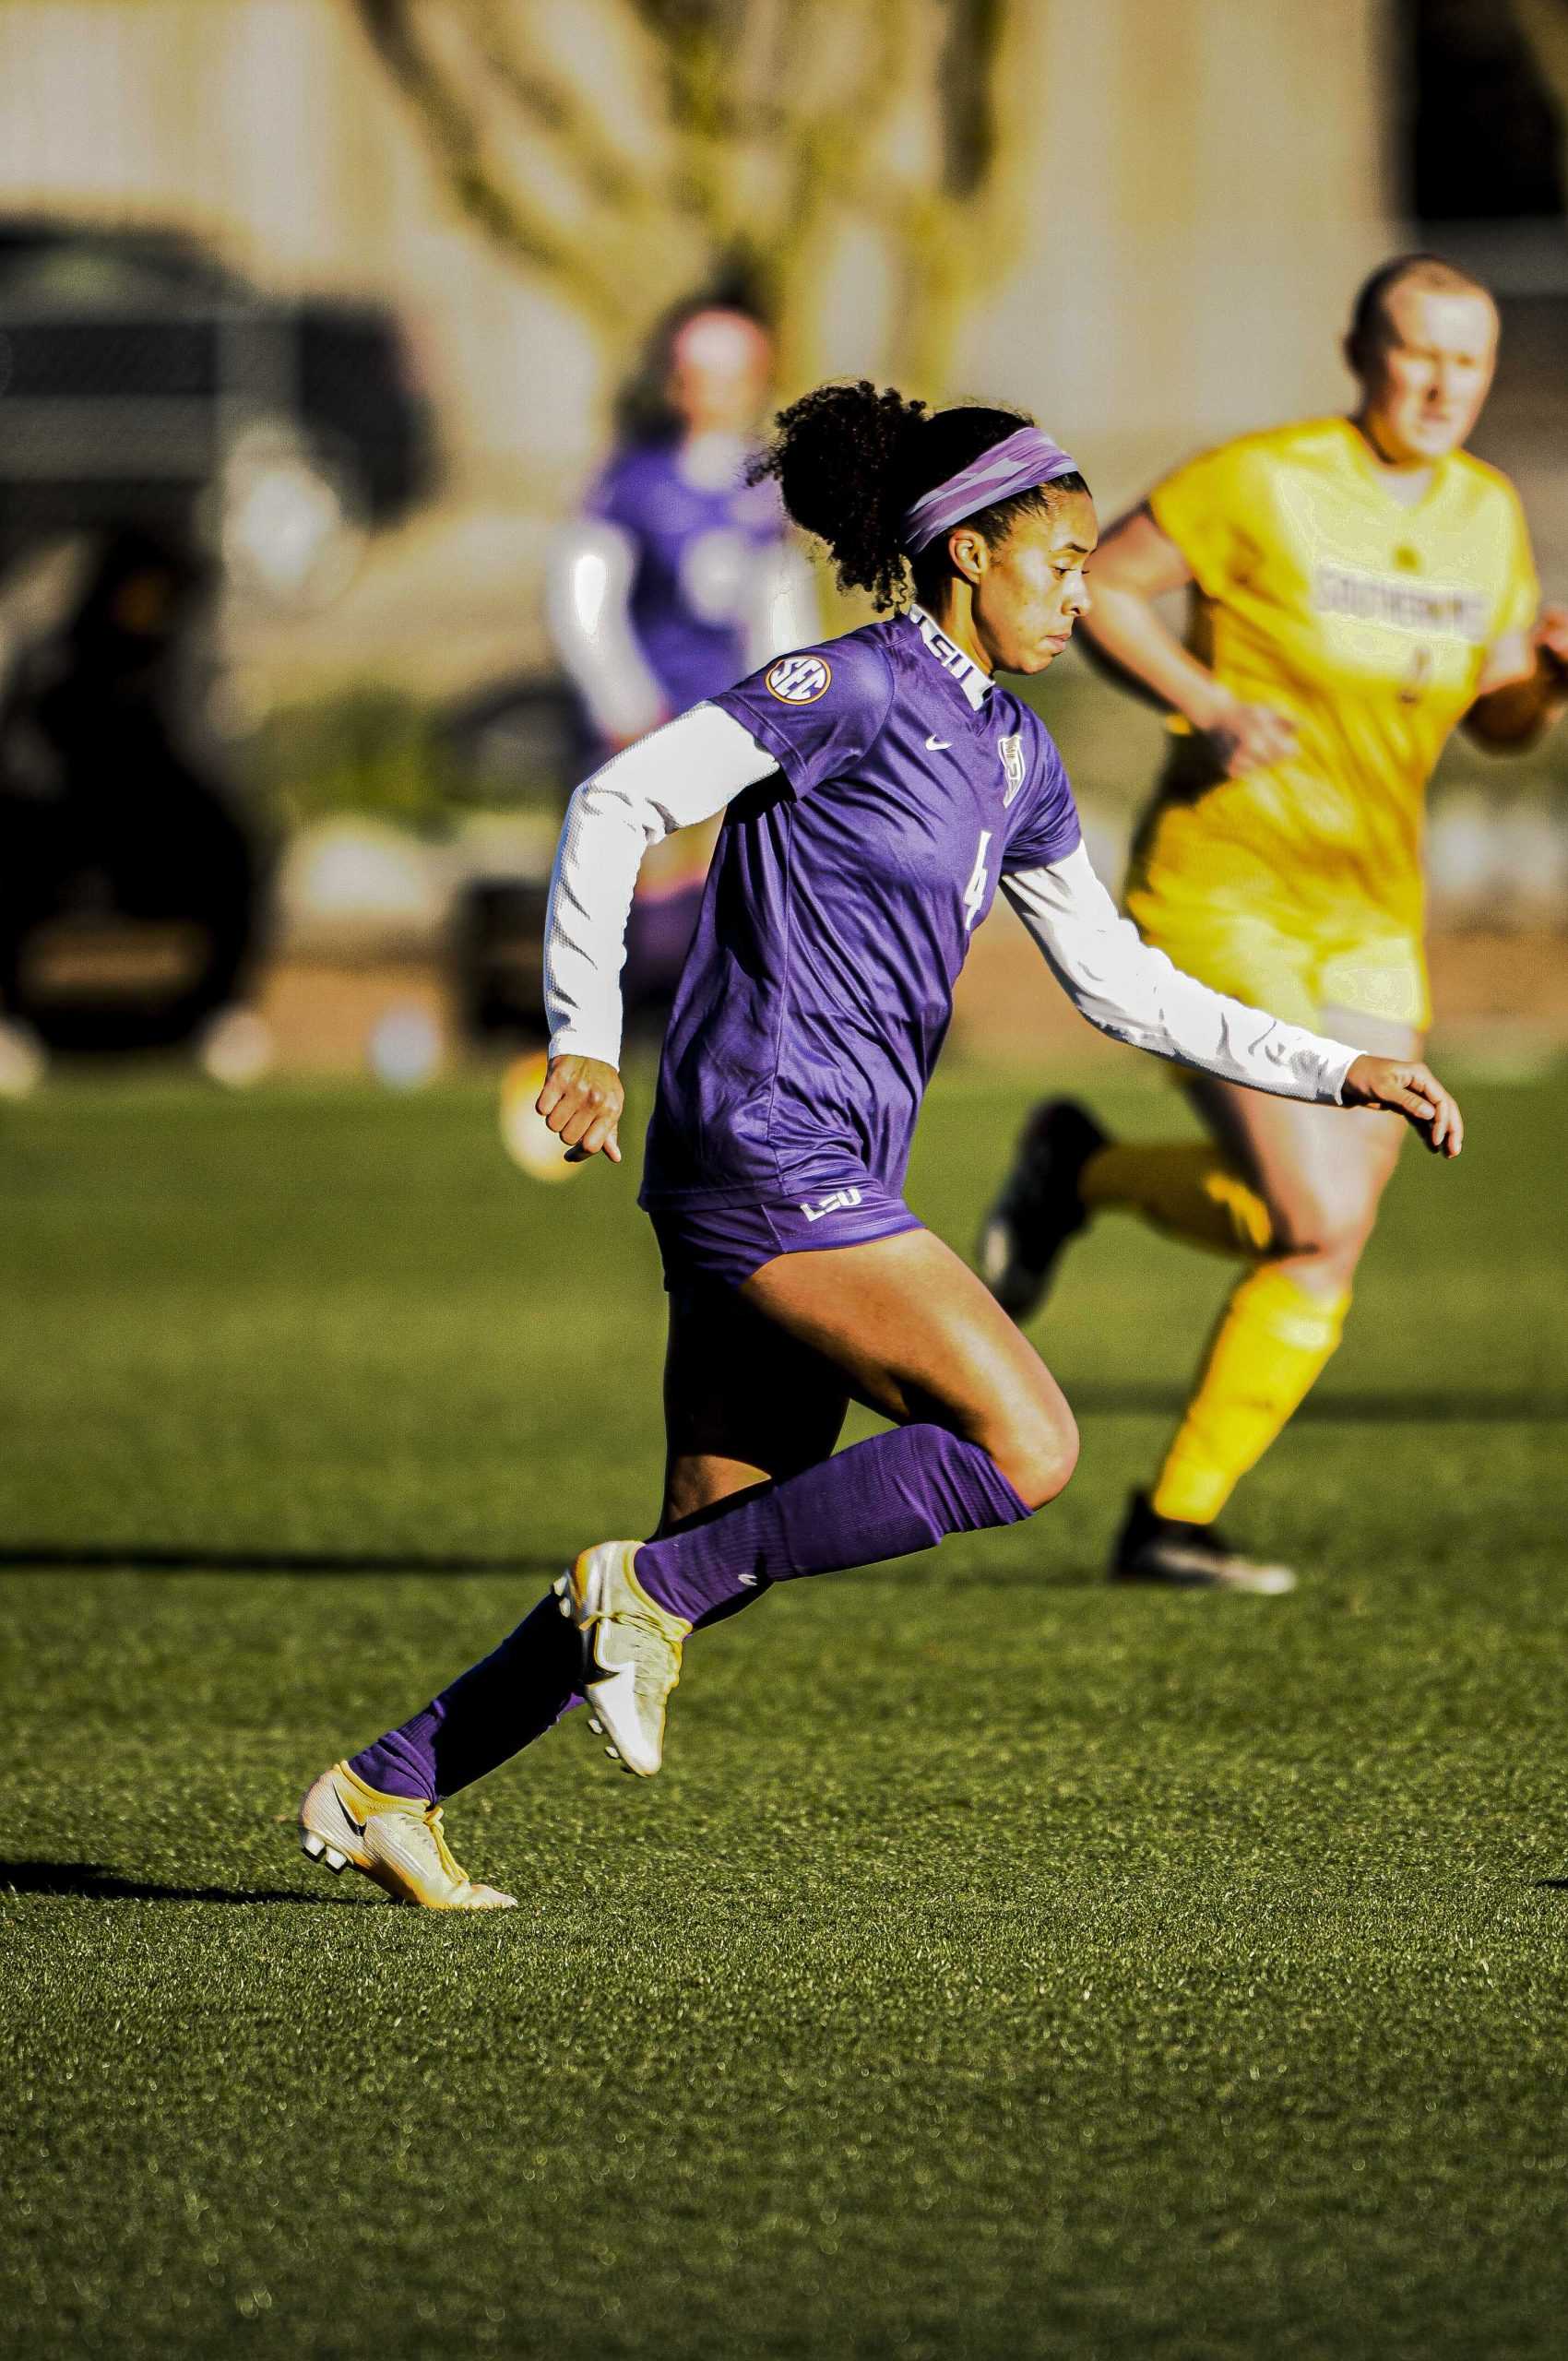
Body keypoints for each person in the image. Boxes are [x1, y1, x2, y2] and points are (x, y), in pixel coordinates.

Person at [299, 383, 1463, 1908]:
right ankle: (637, 1598)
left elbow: (1120, 987)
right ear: (968, 551)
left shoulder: (1020, 758)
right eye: (1060, 561)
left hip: (829, 1159)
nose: (1077, 589)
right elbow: (617, 798)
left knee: (718, 1534)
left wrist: (1340, 1067)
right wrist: (584, 1036)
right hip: (756, 1138)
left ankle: (391, 1783)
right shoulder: (843, 687)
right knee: (1026, 1444)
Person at [980, 254, 1568, 1595]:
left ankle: (1167, 1497)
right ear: (1360, 350)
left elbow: (1495, 716)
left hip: (1369, 917)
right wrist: (1208, 701)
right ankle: (1166, 1507)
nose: (1440, 384)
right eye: (1415, 352)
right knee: (1311, 1208)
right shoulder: (1260, 478)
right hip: (1222, 888)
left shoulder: (1489, 516)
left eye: (1467, 361)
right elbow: (1104, 588)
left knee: (1318, 1234)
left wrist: (1546, 690)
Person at [542, 294, 816, 1023]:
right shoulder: (632, 484)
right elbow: (583, 605)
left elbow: (781, 613)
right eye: (702, 373)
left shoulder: (768, 486)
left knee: (736, 897)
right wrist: (620, 700)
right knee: (638, 903)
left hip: (734, 722)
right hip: (650, 720)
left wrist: (796, 710)